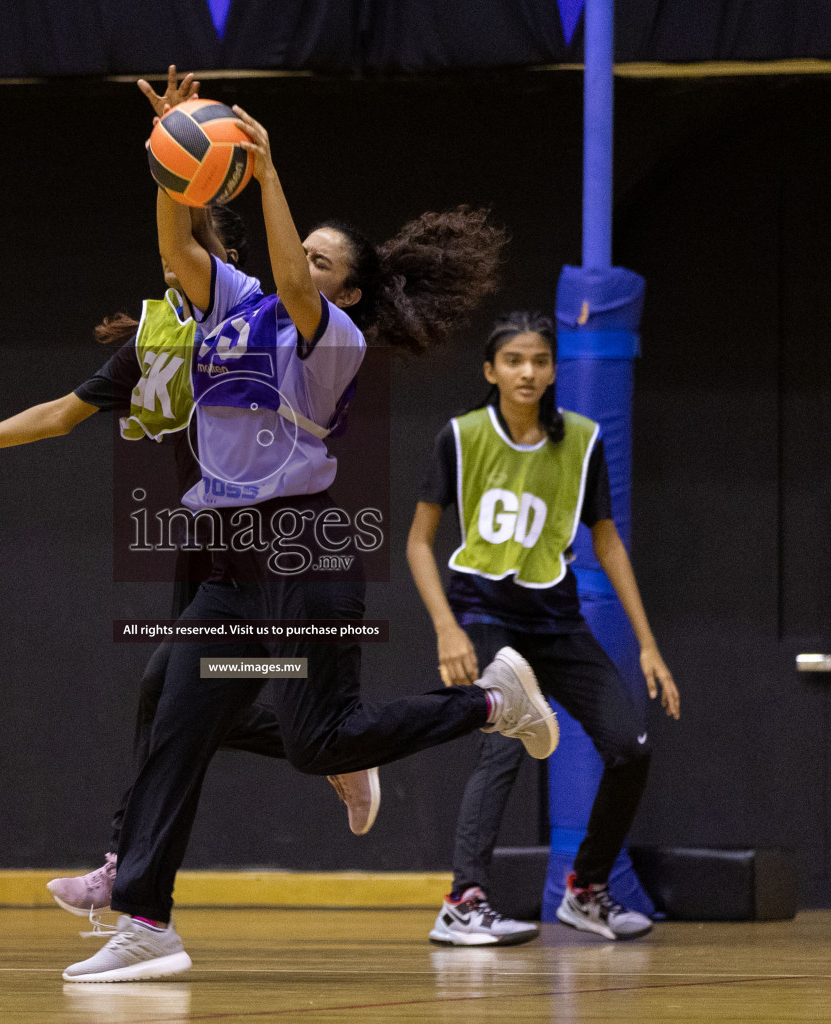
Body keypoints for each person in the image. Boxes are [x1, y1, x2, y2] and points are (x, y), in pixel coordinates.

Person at [61, 87, 541, 984]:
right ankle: (146, 919)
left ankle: (488, 705)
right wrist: (171, 158)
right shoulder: (234, 308)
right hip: (234, 563)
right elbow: (178, 245)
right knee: (173, 707)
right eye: (299, 246)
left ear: (346, 289)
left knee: (320, 734)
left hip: (307, 545)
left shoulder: (334, 338)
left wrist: (269, 168)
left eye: (320, 257)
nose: (301, 260)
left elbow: (289, 278)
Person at [0, 192, 379, 923]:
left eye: (192, 254)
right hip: (206, 549)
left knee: (181, 694)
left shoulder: (267, 331)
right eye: (170, 260)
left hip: (275, 542)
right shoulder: (154, 344)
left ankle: (137, 860)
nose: (176, 270)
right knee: (183, 701)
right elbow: (57, 416)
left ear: (223, 264)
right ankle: (332, 746)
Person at [406, 312, 680, 945]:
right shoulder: (462, 435)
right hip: (484, 611)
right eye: (513, 360)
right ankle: (463, 901)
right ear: (491, 371)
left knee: (629, 748)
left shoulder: (581, 440)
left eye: (538, 361)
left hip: (555, 620)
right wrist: (447, 628)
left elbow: (606, 542)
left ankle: (586, 890)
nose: (527, 371)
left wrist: (647, 644)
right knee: (504, 739)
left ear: (554, 370)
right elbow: (419, 542)